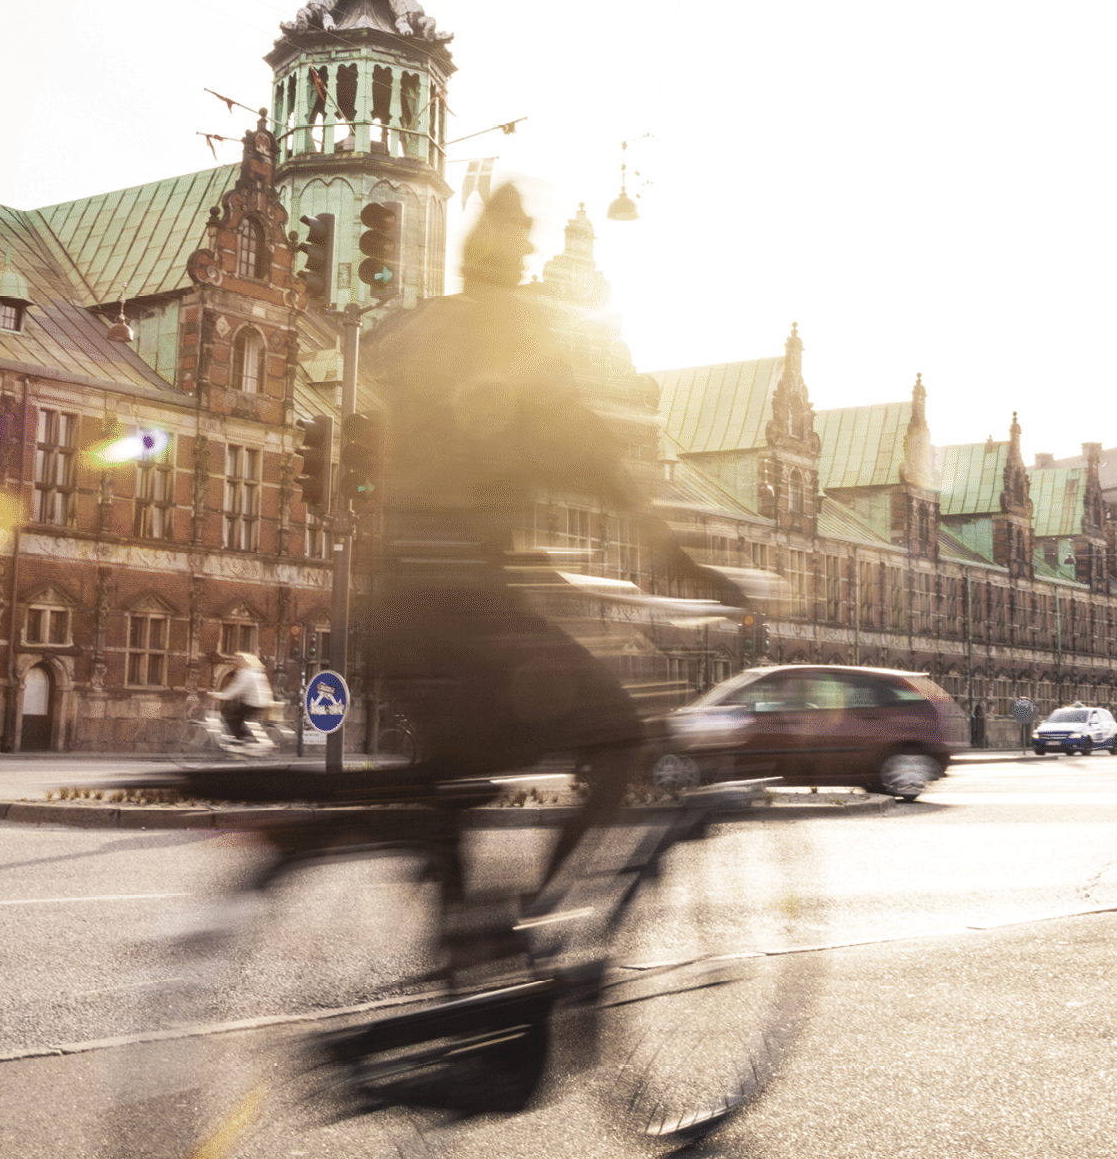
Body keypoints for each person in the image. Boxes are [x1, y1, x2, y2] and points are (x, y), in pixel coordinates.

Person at [364, 183, 752, 908]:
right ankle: (534, 920)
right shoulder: (520, 337)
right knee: (616, 737)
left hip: (391, 603)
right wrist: (692, 568)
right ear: (516, 260)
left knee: (452, 776)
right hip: (470, 607)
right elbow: (601, 468)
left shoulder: (411, 329)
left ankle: (461, 936)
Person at [215, 652, 274, 744]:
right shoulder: (258, 671)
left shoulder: (246, 672)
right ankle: (246, 738)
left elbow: (237, 688)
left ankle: (240, 742)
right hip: (264, 703)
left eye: (237, 660)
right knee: (243, 720)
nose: (235, 662)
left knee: (231, 717)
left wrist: (220, 695)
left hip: (253, 703)